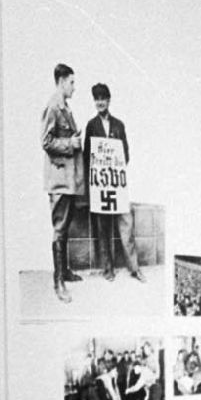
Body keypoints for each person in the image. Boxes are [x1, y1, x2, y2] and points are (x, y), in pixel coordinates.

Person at [83, 82, 142, 281]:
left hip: (116, 185)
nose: (100, 102)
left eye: (103, 98)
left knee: (126, 226)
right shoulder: (91, 126)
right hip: (100, 186)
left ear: (109, 100)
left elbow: (125, 154)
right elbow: (87, 156)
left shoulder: (119, 125)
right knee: (103, 227)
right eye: (96, 99)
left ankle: (134, 268)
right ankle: (107, 269)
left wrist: (114, 162)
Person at [41, 62, 85, 302]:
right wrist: (71, 144)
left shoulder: (64, 107)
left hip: (66, 179)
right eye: (71, 82)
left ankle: (65, 271)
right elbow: (46, 142)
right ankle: (58, 282)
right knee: (59, 229)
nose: (74, 87)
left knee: (65, 226)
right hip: (58, 180)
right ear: (61, 82)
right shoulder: (54, 106)